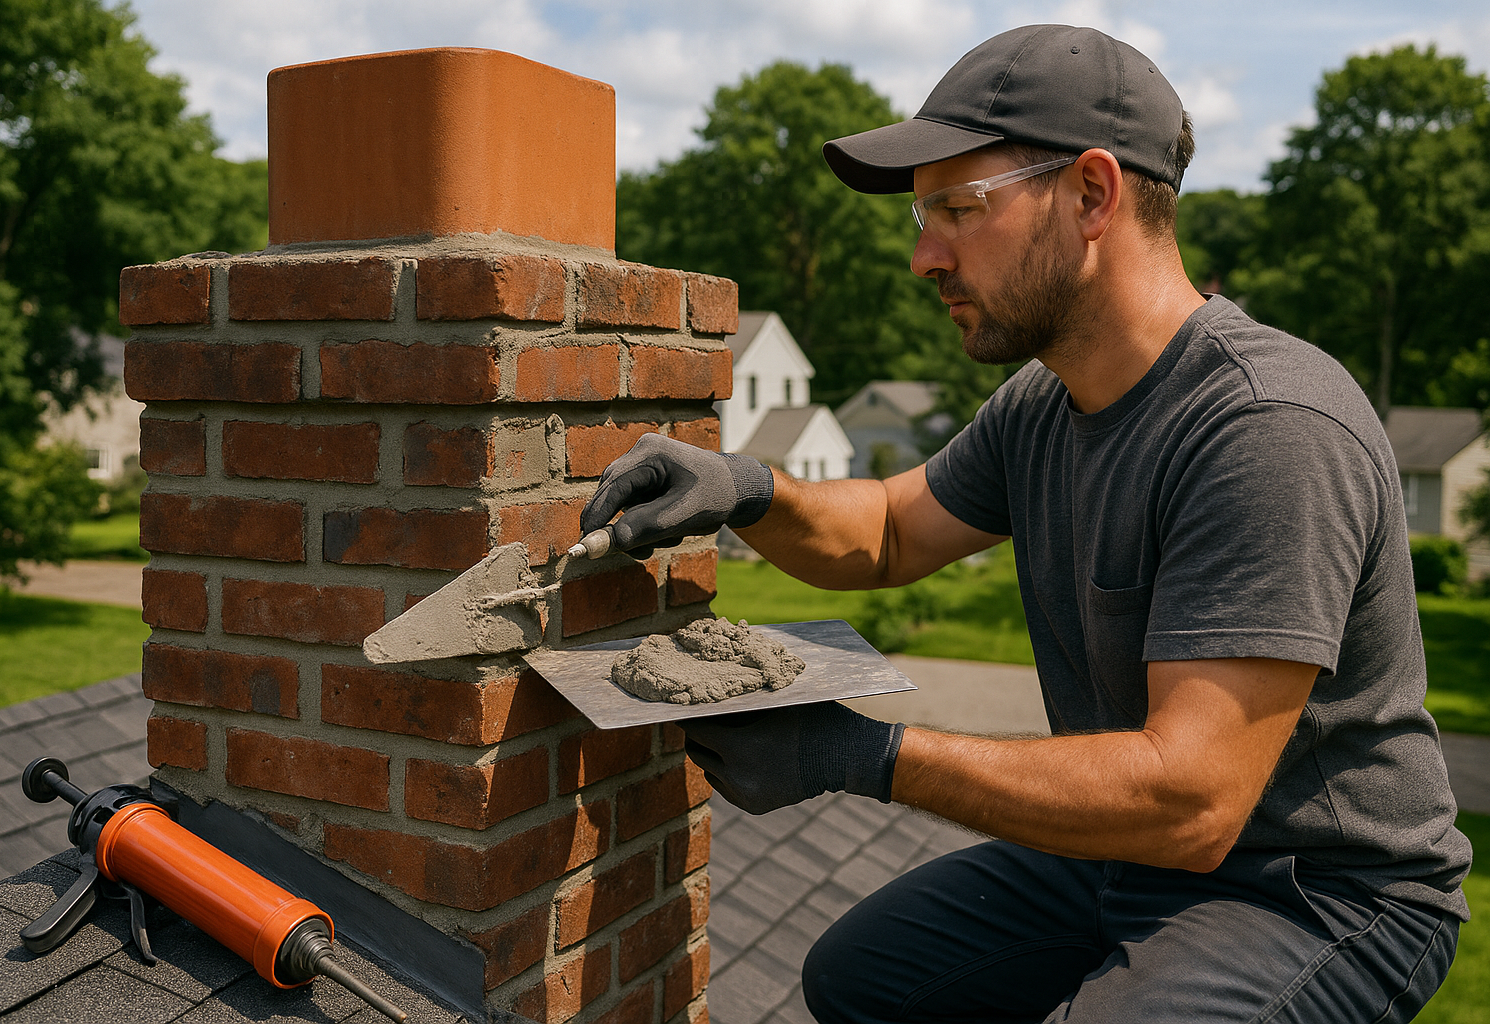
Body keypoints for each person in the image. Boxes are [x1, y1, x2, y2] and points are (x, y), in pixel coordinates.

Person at [579, 24, 1468, 1023]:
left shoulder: (1265, 426)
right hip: (1124, 852)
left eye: (959, 208)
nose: (924, 256)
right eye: (926, 216)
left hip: (1309, 887)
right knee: (860, 979)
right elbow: (884, 529)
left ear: (1092, 194)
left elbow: (1194, 796)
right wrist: (746, 487)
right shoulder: (1043, 406)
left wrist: (859, 756)